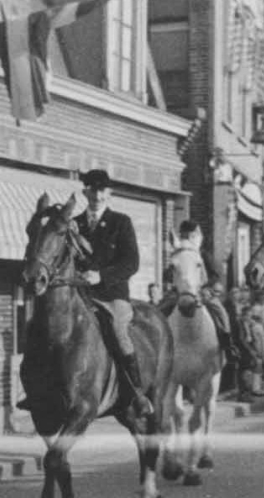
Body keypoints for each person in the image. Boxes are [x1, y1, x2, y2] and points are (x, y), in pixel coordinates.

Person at [73, 170, 153, 417]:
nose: (97, 195)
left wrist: (102, 276)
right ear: (85, 192)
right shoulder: (75, 224)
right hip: (81, 295)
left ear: (109, 193)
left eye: (101, 190)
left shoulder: (121, 222)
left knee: (118, 330)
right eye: (92, 189)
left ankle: (136, 393)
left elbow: (131, 263)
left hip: (112, 296)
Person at [158, 220, 240, 367]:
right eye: (185, 234)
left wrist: (207, 288)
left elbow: (215, 275)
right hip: (180, 291)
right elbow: (168, 273)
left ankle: (228, 345)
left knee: (220, 312)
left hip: (201, 291)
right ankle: (156, 347)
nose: (187, 237)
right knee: (159, 310)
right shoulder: (177, 252)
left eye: (190, 235)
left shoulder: (202, 254)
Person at [237, 299, 264, 400]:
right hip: (243, 349)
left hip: (251, 347)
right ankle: (249, 390)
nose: (249, 317)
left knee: (258, 364)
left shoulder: (250, 323)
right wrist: (251, 351)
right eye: (247, 315)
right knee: (252, 365)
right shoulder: (240, 323)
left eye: (250, 315)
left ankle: (257, 387)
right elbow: (242, 339)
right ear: (243, 314)